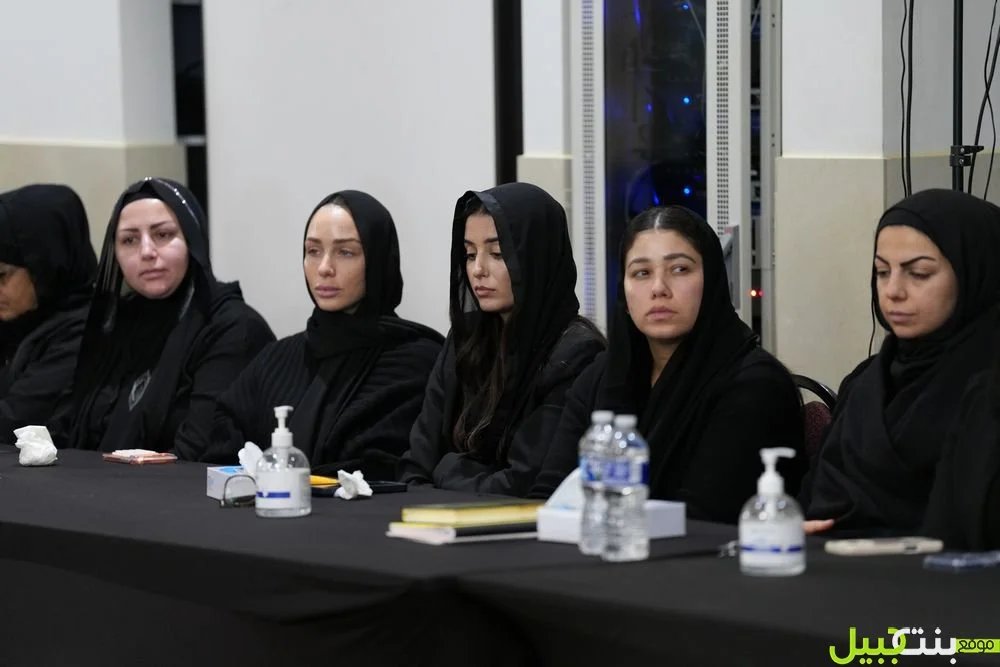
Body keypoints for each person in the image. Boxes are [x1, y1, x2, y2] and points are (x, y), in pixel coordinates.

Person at [530, 205, 805, 523]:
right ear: (624, 291)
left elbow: (707, 518)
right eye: (641, 273)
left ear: (712, 281)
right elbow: (549, 495)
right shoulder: (600, 377)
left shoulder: (755, 385)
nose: (659, 288)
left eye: (680, 269)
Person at [188, 190, 443, 478]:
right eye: (313, 251)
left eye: (346, 252)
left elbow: (384, 469)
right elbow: (219, 459)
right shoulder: (275, 361)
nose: (324, 268)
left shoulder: (416, 361)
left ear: (378, 259)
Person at [803, 189, 1000, 536]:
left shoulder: (989, 388)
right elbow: (813, 501)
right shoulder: (867, 382)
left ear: (975, 274)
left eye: (919, 273)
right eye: (882, 272)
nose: (893, 291)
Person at [398, 183, 606, 495]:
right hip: (435, 515)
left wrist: (446, 469)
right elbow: (415, 465)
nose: (478, 270)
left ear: (537, 257)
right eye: (470, 254)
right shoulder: (465, 339)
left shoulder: (576, 354)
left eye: (497, 253)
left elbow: (524, 482)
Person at [61, 177, 274, 454]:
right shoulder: (117, 324)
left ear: (192, 240)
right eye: (129, 240)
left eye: (163, 235)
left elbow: (200, 452)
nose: (146, 252)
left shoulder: (233, 329)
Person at [0, 184, 97, 442]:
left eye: (2, 275)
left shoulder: (84, 333)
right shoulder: (18, 320)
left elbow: (13, 422)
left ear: (46, 265)